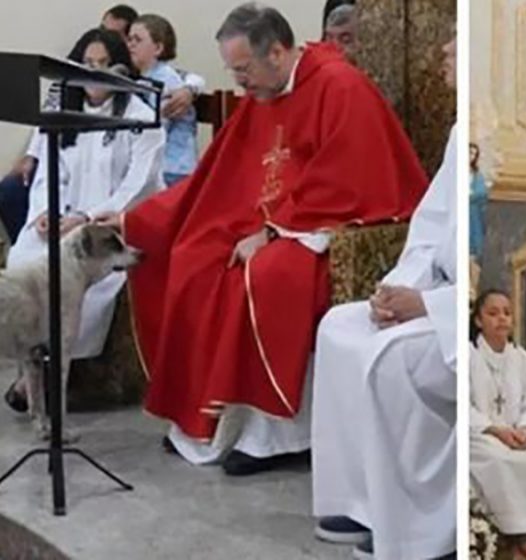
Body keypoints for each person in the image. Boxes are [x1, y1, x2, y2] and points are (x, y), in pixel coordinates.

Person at [96, 2, 428, 477]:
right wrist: (134, 219)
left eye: (244, 70)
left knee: (262, 276)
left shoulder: (340, 87)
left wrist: (273, 231)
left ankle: (275, 435)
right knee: (193, 255)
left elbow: (349, 178)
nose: (240, 84)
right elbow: (215, 177)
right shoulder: (265, 93)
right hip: (274, 221)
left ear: (276, 52)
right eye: (234, 72)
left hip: (329, 228)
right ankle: (206, 422)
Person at [311, 34, 457, 560]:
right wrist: (398, 291)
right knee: (339, 327)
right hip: (433, 292)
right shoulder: (460, 132)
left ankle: (421, 530)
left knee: (392, 359)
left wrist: (434, 306)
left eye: (454, 42)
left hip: (460, 312)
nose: (444, 51)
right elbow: (430, 227)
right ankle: (360, 499)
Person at [7, 28, 164, 357]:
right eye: (87, 63)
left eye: (105, 64)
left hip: (108, 225)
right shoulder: (63, 113)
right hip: (62, 218)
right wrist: (44, 213)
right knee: (25, 258)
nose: (94, 73)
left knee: (89, 284)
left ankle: (64, 362)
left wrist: (87, 218)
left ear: (121, 68)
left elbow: (139, 183)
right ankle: (34, 353)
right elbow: (49, 173)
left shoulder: (140, 116)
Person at [469, 289, 526, 559]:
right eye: (492, 313)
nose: (501, 319)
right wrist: (497, 430)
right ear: (478, 320)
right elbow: (463, 405)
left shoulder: (523, 360)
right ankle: (516, 534)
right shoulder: (467, 357)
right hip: (482, 433)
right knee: (497, 461)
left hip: (519, 434)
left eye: (506, 313)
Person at [128, 14, 198, 185]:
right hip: (161, 164)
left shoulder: (166, 80)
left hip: (173, 168)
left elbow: (158, 126)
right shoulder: (144, 78)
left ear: (158, 48)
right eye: (129, 39)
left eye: (138, 40)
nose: (130, 45)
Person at [469, 142, 487, 260]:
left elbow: (482, 193)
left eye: (474, 154)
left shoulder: (477, 175)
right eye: (470, 153)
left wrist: (471, 196)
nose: (472, 156)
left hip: (473, 213)